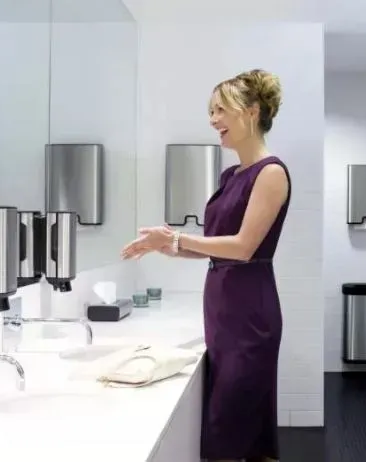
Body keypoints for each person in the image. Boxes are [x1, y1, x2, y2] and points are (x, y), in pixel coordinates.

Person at [121, 69, 290, 462]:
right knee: (236, 426)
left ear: (251, 112)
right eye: (211, 111)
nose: (213, 120)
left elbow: (243, 248)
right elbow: (219, 247)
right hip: (223, 308)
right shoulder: (232, 175)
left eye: (220, 110)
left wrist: (177, 240)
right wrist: (168, 247)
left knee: (229, 428)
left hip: (249, 313)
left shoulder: (271, 173)